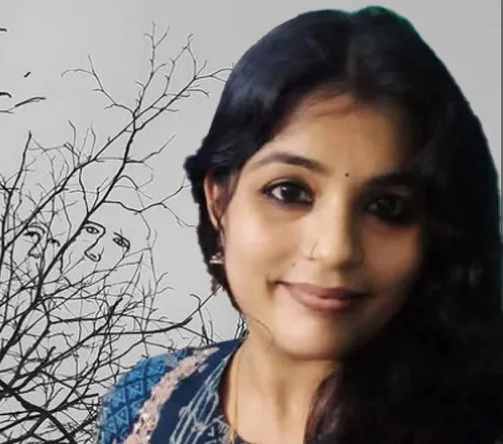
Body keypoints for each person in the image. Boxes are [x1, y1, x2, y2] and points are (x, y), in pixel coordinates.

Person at [96, 5, 503, 444]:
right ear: (219, 201)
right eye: (289, 192)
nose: (336, 249)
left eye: (387, 206)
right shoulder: (148, 402)